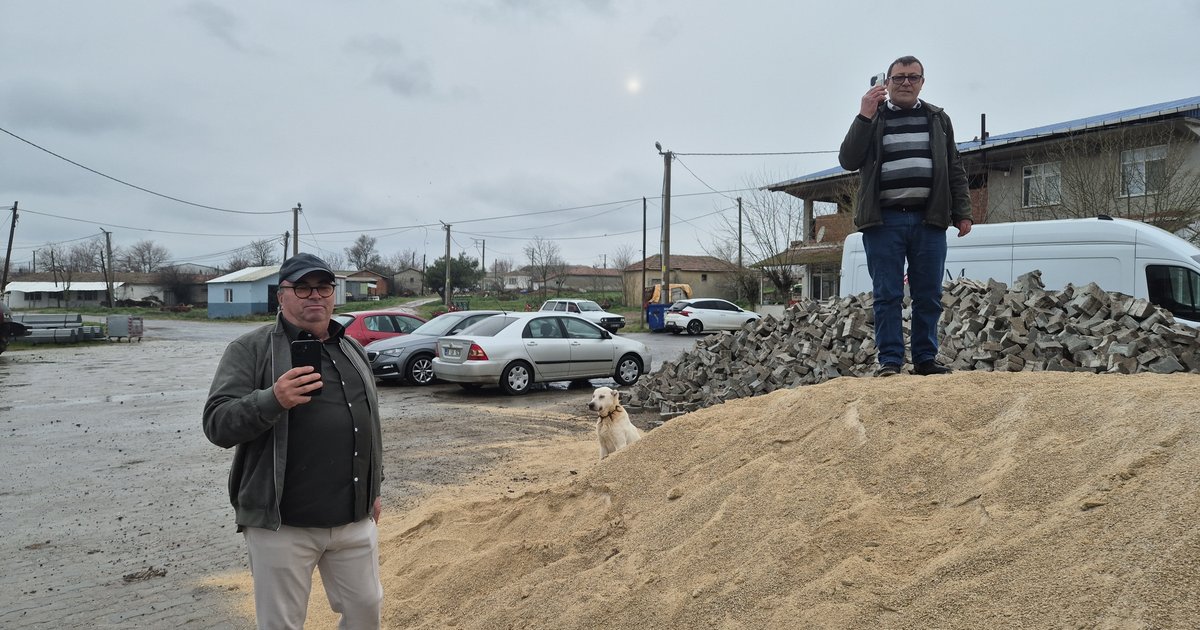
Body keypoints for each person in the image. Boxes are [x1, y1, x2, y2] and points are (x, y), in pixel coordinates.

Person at [203, 252, 384, 629]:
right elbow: (217, 424)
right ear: (281, 296)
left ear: (334, 294)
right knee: (282, 624)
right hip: (283, 524)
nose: (314, 296)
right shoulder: (250, 350)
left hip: (353, 520)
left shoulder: (351, 350)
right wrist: (273, 399)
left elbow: (369, 427)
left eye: (323, 287)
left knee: (366, 612)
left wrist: (374, 488)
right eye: (302, 288)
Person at [838, 55, 973, 377]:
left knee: (929, 295)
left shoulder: (938, 119)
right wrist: (864, 115)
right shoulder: (874, 118)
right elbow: (848, 159)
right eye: (898, 78)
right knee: (887, 295)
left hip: (930, 220)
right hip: (883, 222)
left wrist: (963, 212)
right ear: (886, 83)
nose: (906, 83)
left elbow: (954, 167)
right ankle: (890, 361)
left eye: (913, 77)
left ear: (922, 82)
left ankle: (926, 360)